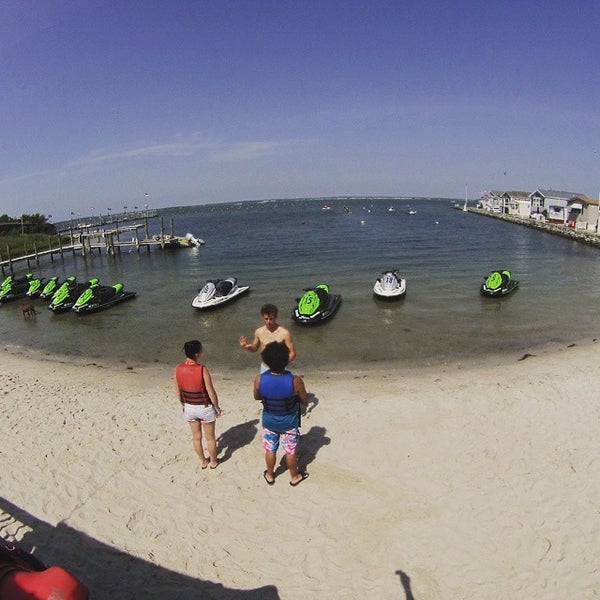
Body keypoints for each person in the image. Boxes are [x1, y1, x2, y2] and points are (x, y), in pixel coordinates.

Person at [253, 341, 309, 486]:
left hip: (269, 421)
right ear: (286, 360)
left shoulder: (259, 379)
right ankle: (294, 476)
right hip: (289, 422)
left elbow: (257, 397)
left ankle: (270, 474)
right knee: (290, 451)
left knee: (270, 449)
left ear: (265, 361)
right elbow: (304, 401)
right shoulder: (295, 381)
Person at [174, 340, 222, 469]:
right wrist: (217, 408)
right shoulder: (202, 369)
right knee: (210, 438)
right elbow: (211, 392)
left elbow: (178, 391)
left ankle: (203, 461)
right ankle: (213, 461)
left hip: (189, 406)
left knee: (196, 437)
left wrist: (183, 405)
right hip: (204, 407)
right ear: (197, 354)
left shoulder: (178, 369)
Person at [239, 303, 296, 371]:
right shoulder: (259, 332)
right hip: (265, 368)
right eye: (266, 319)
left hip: (280, 368)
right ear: (263, 317)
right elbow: (254, 348)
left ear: (276, 317)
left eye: (271, 319)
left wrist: (283, 364)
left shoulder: (284, 333)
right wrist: (247, 346)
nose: (268, 321)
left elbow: (292, 353)